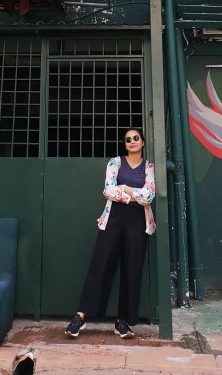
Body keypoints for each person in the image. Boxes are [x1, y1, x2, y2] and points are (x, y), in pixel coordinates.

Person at [64, 128, 156, 340]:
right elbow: (108, 190)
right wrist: (135, 196)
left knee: (132, 267)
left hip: (138, 221)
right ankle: (81, 316)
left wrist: (125, 189)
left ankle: (122, 321)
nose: (132, 141)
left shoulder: (149, 167)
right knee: (101, 263)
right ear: (125, 144)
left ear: (143, 142)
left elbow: (149, 195)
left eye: (136, 138)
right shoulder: (115, 162)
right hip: (113, 218)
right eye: (128, 139)